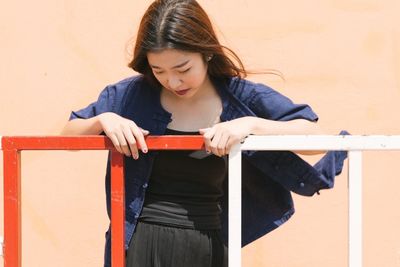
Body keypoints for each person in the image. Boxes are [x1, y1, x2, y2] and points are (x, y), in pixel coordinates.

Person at [61, 0, 348, 266]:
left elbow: (314, 137)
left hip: (209, 243)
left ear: (207, 51)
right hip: (139, 243)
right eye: (158, 70)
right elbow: (67, 138)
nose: (173, 81)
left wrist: (251, 125)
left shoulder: (240, 96)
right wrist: (103, 120)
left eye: (182, 68)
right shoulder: (131, 94)